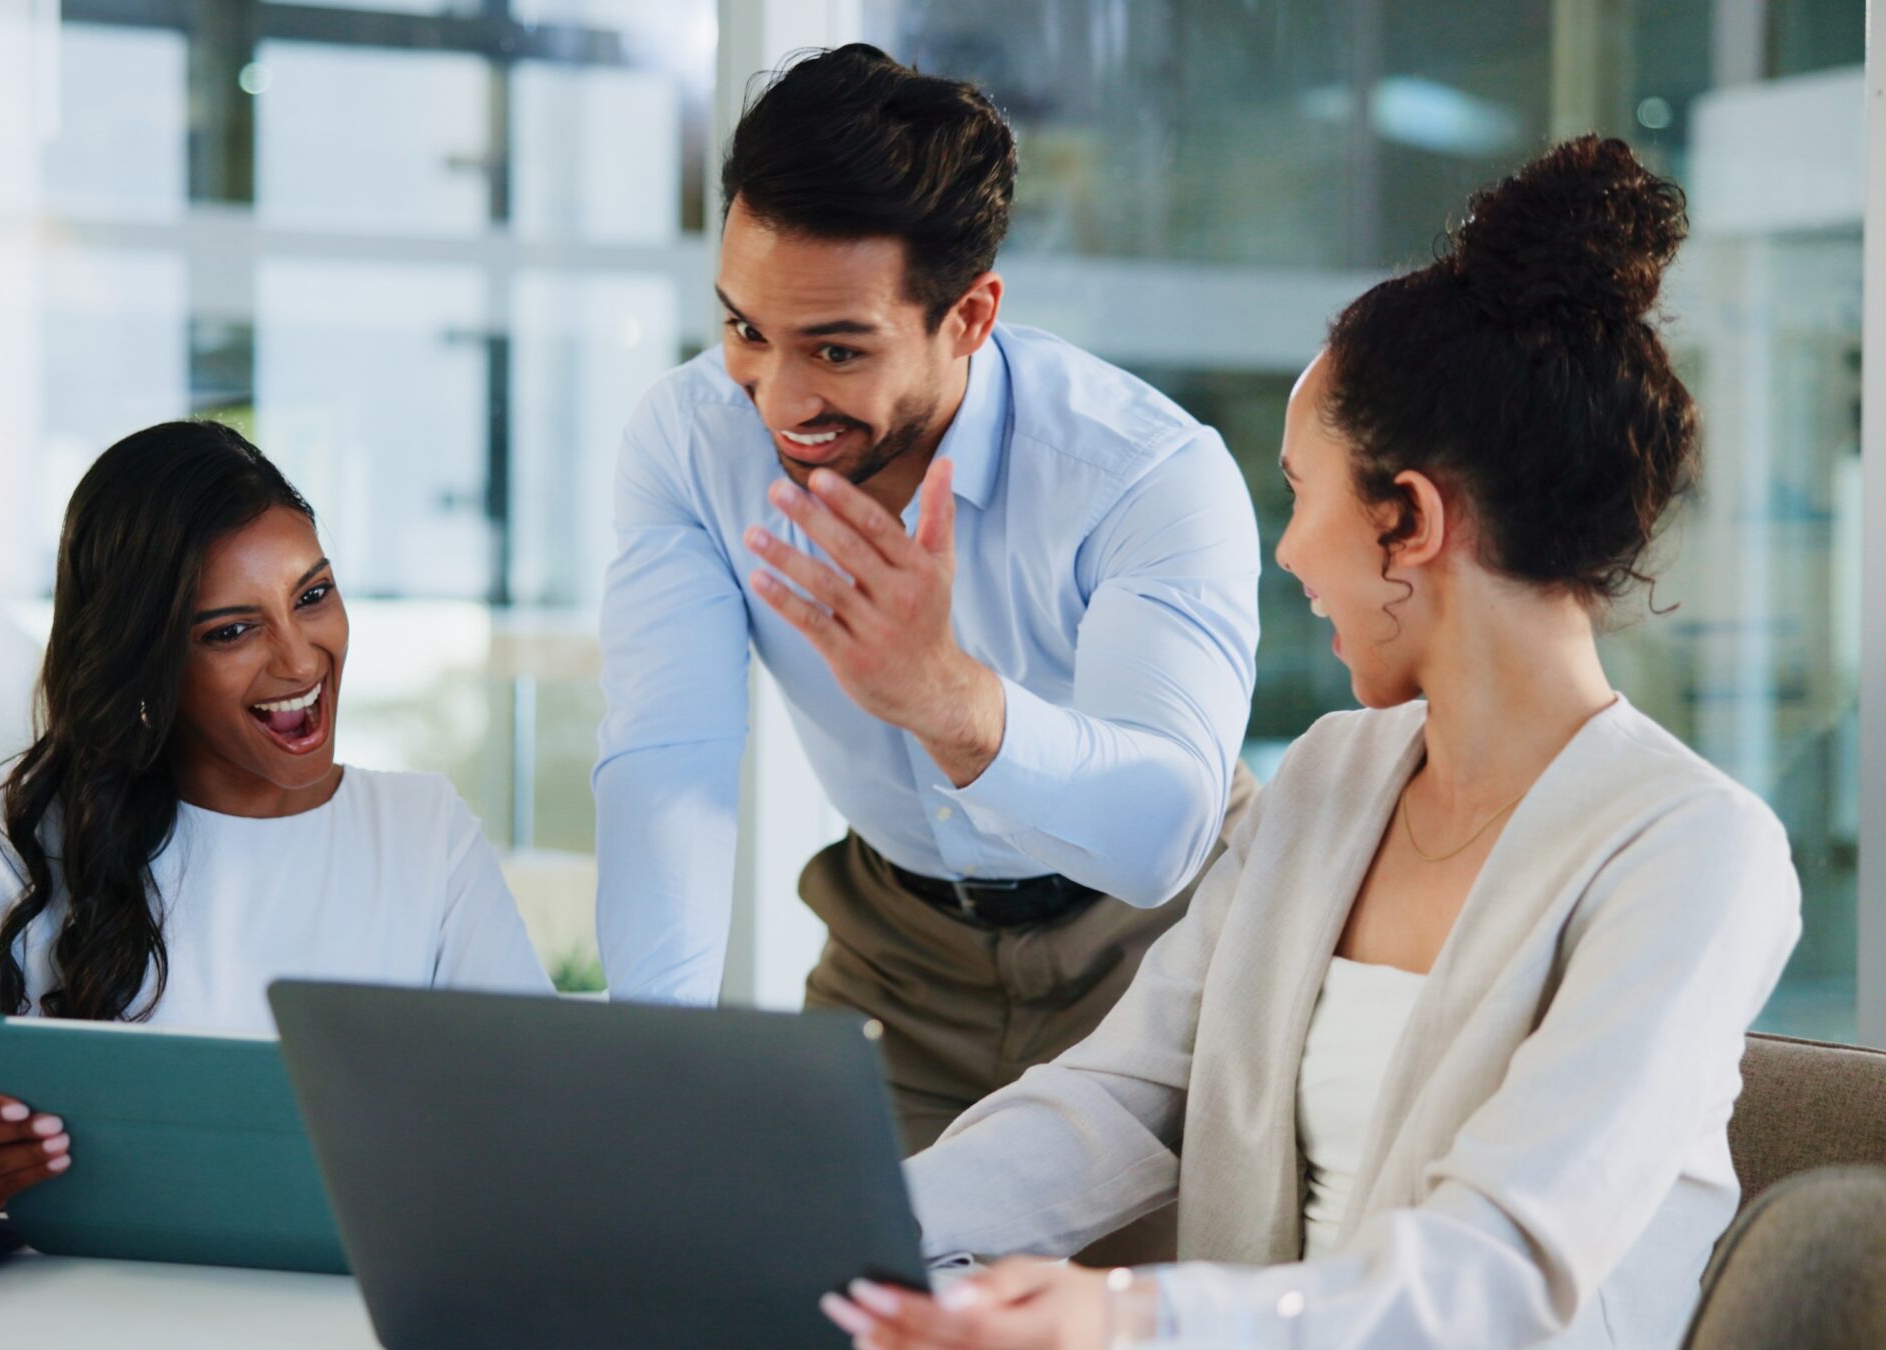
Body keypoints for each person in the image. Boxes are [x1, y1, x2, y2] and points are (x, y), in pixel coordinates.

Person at [823, 135, 1803, 1350]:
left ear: (1408, 520)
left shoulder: (1696, 854)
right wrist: (836, 1229)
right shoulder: (1329, 780)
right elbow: (1125, 1094)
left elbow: (1490, 1274)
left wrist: (1131, 1317)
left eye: (1302, 494)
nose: (1286, 554)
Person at [594, 43, 1261, 1151]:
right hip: (894, 953)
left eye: (838, 350)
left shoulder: (1144, 476)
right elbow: (670, 762)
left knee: (1122, 1322)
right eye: (745, 328)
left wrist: (951, 701)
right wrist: (650, 1066)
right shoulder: (688, 439)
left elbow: (1164, 838)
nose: (780, 396)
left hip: (1155, 960)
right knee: (809, 1295)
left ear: (968, 317)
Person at [0, 421, 550, 1209]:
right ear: (147, 660)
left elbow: (539, 1116)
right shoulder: (24, 838)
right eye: (232, 631)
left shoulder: (426, 835)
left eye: (312, 596)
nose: (298, 659)